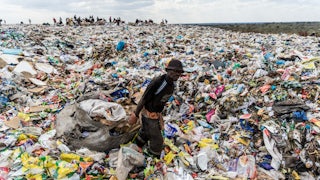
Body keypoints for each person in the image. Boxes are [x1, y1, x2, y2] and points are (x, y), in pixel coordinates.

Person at [128, 59, 184, 158]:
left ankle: (137, 145)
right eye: (175, 71)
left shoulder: (171, 84)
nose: (177, 74)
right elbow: (144, 98)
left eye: (179, 72)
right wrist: (135, 114)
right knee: (157, 140)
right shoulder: (159, 82)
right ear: (168, 70)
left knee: (146, 132)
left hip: (155, 114)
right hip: (149, 114)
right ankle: (153, 158)